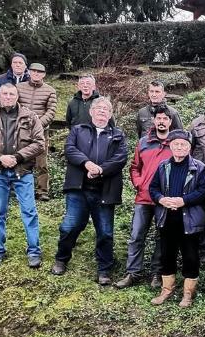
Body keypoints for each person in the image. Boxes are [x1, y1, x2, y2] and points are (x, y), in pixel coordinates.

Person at [51, 97, 128, 285]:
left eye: (106, 110)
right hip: (79, 188)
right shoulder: (78, 130)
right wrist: (87, 164)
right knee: (70, 226)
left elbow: (120, 158)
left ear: (110, 114)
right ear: (91, 111)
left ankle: (104, 269)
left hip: (104, 190)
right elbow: (70, 149)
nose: (102, 112)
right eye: (99, 108)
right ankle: (61, 259)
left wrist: (101, 170)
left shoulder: (118, 135)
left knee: (105, 232)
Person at [0, 82, 45, 268]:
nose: (8, 97)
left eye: (12, 94)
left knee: (29, 211)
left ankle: (34, 251)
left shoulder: (30, 116)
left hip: (23, 171)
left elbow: (39, 142)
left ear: (17, 96)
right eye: (5, 94)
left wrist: (18, 157)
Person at [149, 130, 205, 308]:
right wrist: (161, 199)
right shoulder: (163, 166)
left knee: (191, 257)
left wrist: (183, 200)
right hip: (167, 218)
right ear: (170, 146)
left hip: (189, 220)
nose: (179, 147)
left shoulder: (200, 167)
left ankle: (188, 294)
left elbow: (203, 191)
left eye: (183, 144)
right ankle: (167, 290)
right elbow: (153, 188)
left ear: (189, 147)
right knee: (167, 255)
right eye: (176, 144)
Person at [114, 106, 174, 290]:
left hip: (164, 200)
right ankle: (133, 272)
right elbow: (134, 167)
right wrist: (139, 183)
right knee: (136, 235)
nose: (162, 121)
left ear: (170, 122)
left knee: (162, 237)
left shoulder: (176, 143)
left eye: (165, 118)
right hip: (144, 198)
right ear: (154, 121)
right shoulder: (144, 142)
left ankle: (157, 273)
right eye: (159, 119)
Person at [16, 63, 58, 201]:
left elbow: (51, 111)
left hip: (41, 132)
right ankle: (18, 188)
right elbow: (14, 106)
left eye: (39, 72)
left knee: (41, 162)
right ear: (29, 72)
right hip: (21, 130)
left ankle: (42, 191)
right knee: (20, 159)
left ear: (44, 74)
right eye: (34, 71)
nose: (36, 74)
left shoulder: (50, 90)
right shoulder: (19, 87)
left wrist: (38, 125)